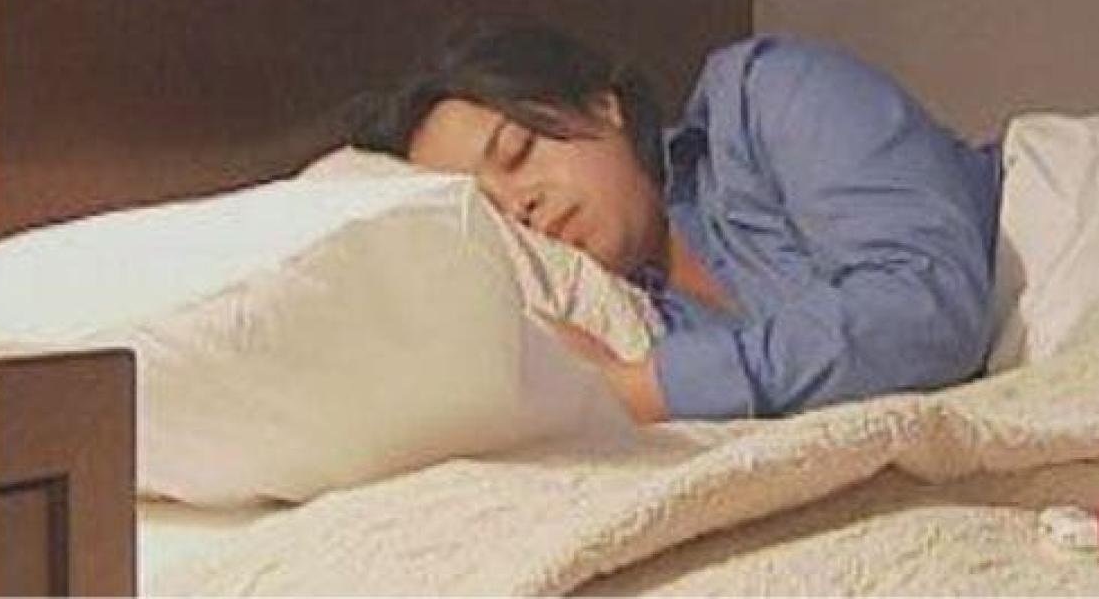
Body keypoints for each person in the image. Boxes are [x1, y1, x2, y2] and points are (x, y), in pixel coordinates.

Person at [349, 22, 1002, 423]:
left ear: (602, 106)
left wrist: (644, 390)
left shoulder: (765, 95)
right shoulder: (636, 320)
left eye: (519, 152)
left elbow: (927, 306)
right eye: (494, 213)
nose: (521, 205)